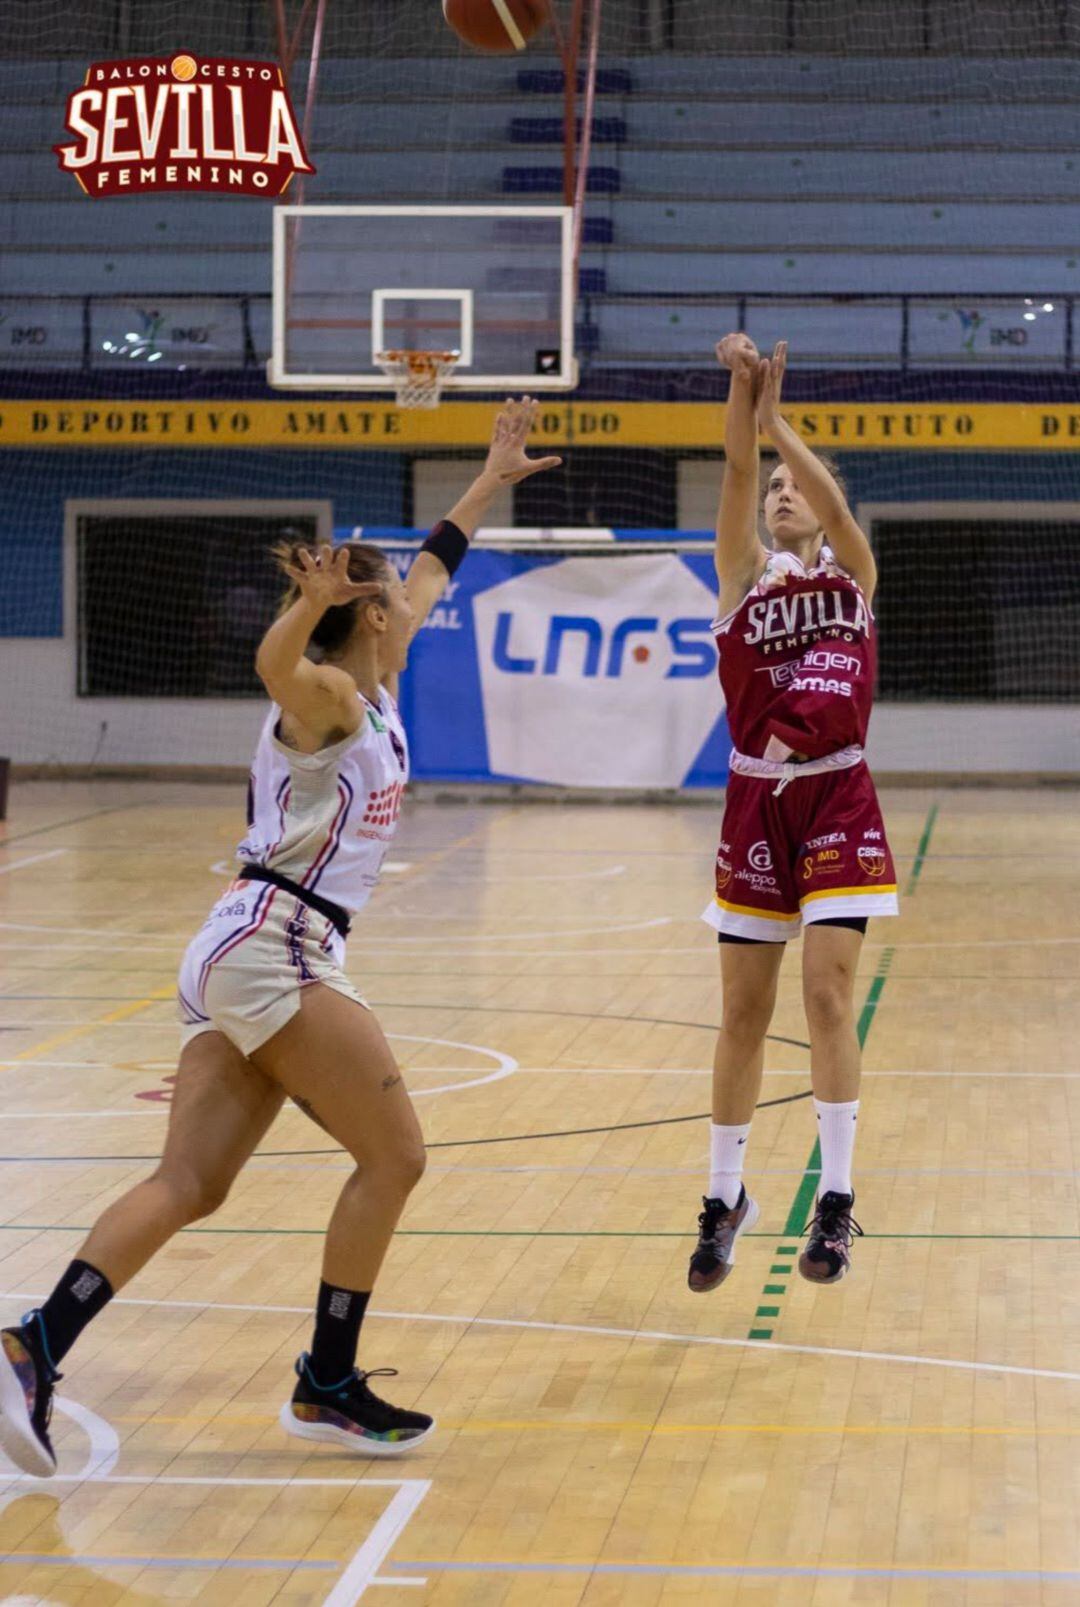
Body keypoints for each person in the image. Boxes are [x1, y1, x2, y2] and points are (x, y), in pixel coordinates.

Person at [0, 399, 561, 1477]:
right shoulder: (333, 695)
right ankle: (327, 1382)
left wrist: (489, 477)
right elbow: (273, 668)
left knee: (191, 1182)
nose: (414, 599)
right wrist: (305, 610)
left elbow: (436, 561)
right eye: (394, 597)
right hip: (276, 945)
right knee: (396, 1154)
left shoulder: (378, 681)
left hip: (247, 941)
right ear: (367, 624)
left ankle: (33, 1346)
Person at [687, 336, 898, 1296]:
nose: (781, 490)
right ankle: (724, 1197)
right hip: (753, 803)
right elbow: (735, 467)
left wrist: (780, 423)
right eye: (775, 484)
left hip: (838, 791)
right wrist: (743, 395)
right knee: (742, 1011)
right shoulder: (742, 575)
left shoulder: (850, 574)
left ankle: (839, 1197)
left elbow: (839, 505)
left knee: (825, 998)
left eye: (794, 484)